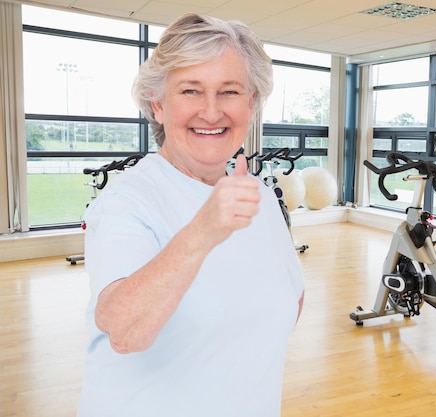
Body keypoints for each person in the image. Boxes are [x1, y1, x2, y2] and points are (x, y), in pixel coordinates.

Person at [76, 13, 304, 417]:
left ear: (251, 104)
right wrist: (202, 232)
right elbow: (125, 332)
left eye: (230, 91)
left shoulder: (261, 198)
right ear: (158, 104)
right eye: (191, 91)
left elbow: (291, 298)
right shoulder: (128, 201)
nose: (212, 112)